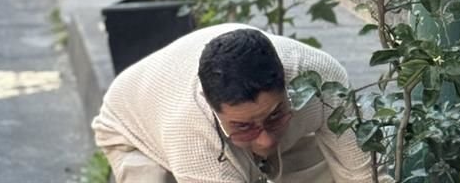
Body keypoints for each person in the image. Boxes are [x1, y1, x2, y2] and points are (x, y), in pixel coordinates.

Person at [93, 23, 380, 182]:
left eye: (275, 115)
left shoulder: (320, 80)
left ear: (286, 79)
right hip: (134, 129)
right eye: (245, 126)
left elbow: (363, 174)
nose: (266, 141)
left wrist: (254, 129)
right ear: (211, 105)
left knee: (321, 171)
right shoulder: (191, 134)